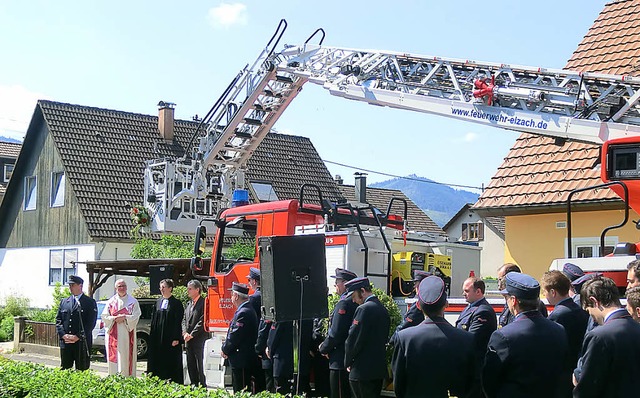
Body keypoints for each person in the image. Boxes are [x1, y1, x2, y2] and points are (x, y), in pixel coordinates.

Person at [482, 272, 568, 398]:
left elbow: (489, 380)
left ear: (513, 300)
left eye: (507, 298)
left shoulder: (503, 336)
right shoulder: (559, 330)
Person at [392, 276, 475, 398]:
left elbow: (399, 386)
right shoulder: (466, 339)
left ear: (419, 306)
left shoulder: (404, 338)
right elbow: (471, 384)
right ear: (446, 304)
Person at [573, 276, 640, 397]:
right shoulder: (636, 327)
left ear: (594, 301)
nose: (591, 316)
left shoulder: (599, 336)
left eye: (588, 310)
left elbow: (588, 386)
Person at [541, 270, 589, 397]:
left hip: (562, 374)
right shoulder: (578, 309)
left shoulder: (558, 315)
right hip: (576, 368)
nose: (544, 295)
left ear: (553, 292)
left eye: (545, 291)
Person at [344, 277, 390, 398]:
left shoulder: (363, 309)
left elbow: (353, 339)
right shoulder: (382, 308)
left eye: (354, 296)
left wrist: (347, 361)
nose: (353, 300)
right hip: (378, 370)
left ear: (363, 291)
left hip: (361, 371)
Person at [319, 268, 358, 398]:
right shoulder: (352, 301)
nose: (335, 285)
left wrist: (324, 348)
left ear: (346, 283)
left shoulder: (344, 303)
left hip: (339, 357)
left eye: (337, 282)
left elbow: (336, 332)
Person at [455, 276, 496, 398]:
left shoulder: (483, 311)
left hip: (475, 370)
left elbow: (471, 339)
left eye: (467, 291)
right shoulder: (470, 308)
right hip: (467, 368)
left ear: (478, 291)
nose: (463, 294)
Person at [222, 282, 259, 393]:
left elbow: (235, 336)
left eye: (232, 294)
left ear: (236, 296)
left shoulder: (244, 312)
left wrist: (225, 349)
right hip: (240, 358)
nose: (231, 297)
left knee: (241, 390)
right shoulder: (244, 310)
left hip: (242, 359)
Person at [55, 275, 98, 371]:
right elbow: (58, 320)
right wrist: (63, 335)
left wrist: (77, 336)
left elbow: (90, 323)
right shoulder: (64, 302)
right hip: (66, 343)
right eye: (69, 285)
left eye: (73, 285)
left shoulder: (89, 302)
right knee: (65, 369)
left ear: (80, 286)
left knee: (81, 370)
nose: (70, 288)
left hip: (81, 343)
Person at [102, 278, 141, 376]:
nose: (122, 288)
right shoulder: (111, 302)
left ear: (127, 287)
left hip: (127, 336)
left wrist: (125, 317)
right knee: (115, 361)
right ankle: (114, 379)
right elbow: (105, 317)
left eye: (123, 286)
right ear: (116, 288)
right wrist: (114, 319)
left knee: (126, 358)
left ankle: (127, 378)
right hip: (114, 337)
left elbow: (136, 316)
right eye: (119, 286)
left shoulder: (133, 301)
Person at [147, 278, 184, 383]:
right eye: (160, 287)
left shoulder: (176, 304)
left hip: (170, 339)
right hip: (158, 338)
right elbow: (154, 320)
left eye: (164, 287)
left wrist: (177, 338)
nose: (161, 289)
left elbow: (179, 322)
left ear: (170, 288)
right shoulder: (158, 302)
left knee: (171, 361)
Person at [391, 270, 431, 339]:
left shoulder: (417, 306)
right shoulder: (432, 302)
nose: (414, 286)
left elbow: (404, 326)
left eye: (416, 283)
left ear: (422, 285)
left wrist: (392, 340)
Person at [182, 279, 207, 387]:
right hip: (188, 340)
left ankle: (202, 385)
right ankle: (194, 384)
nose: (188, 291)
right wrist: (184, 333)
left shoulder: (204, 303)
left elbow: (202, 320)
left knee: (200, 364)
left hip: (198, 340)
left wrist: (192, 334)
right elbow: (184, 319)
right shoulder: (189, 304)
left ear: (197, 290)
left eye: (190, 289)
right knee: (190, 363)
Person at [246, 267, 265, 392]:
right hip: (266, 339)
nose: (249, 283)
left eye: (249, 280)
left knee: (257, 377)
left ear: (254, 281)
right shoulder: (266, 294)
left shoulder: (253, 298)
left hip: (256, 339)